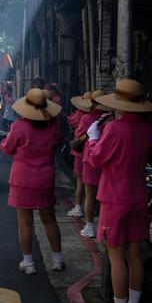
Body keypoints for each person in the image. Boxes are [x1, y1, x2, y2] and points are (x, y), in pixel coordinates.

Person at [84, 79, 152, 303]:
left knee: (115, 257)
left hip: (115, 198)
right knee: (135, 255)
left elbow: (96, 159)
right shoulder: (147, 129)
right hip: (138, 195)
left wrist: (93, 139)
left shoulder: (115, 128)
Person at [0, 88, 65, 275]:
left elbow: (7, 148)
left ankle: (28, 263)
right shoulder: (53, 126)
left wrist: (5, 142)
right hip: (45, 177)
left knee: (25, 221)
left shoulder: (19, 127)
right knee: (49, 219)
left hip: (23, 179)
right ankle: (58, 259)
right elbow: (57, 143)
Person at [75, 90, 113, 238]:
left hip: (90, 158)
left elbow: (78, 136)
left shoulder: (86, 118)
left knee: (90, 195)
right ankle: (104, 225)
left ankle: (90, 225)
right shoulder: (111, 120)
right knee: (104, 195)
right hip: (106, 160)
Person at [67, 91, 92, 219]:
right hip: (95, 154)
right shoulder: (103, 118)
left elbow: (79, 133)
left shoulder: (84, 117)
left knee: (81, 181)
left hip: (81, 152)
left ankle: (78, 207)